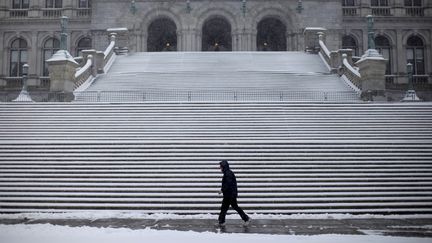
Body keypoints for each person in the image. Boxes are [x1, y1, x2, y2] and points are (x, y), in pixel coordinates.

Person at [217, 160, 250, 226]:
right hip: (229, 194)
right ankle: (221, 221)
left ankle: (246, 218)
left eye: (221, 167)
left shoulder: (228, 173)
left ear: (224, 166)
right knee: (224, 208)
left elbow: (228, 184)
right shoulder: (227, 173)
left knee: (233, 207)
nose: (220, 168)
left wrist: (222, 190)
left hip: (230, 195)